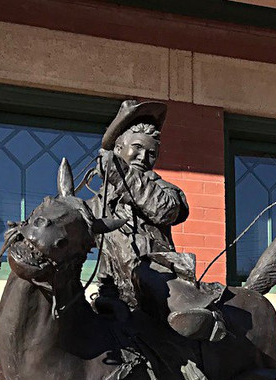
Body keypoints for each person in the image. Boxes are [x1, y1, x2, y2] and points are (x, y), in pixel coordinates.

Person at [93, 99, 226, 343]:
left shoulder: (166, 190)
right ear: (119, 148)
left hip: (157, 278)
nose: (143, 157)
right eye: (137, 148)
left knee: (179, 314)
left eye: (151, 153)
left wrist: (122, 176)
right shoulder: (98, 202)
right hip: (112, 287)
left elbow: (163, 210)